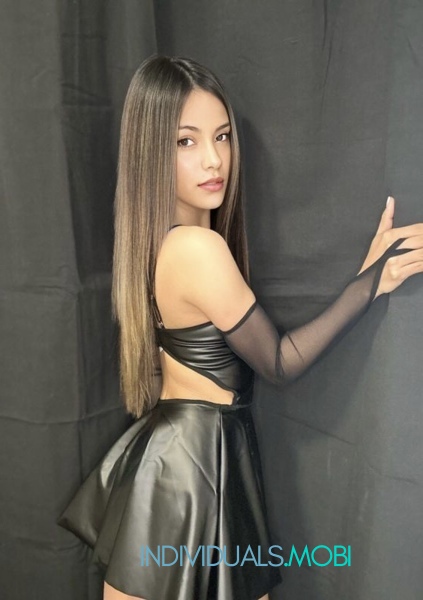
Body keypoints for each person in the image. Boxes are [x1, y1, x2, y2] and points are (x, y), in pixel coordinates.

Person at [58, 55, 423, 600]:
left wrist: (367, 277)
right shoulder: (196, 248)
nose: (214, 159)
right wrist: (371, 283)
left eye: (222, 136)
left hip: (192, 458)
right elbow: (279, 362)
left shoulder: (164, 245)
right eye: (186, 141)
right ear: (151, 151)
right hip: (192, 466)